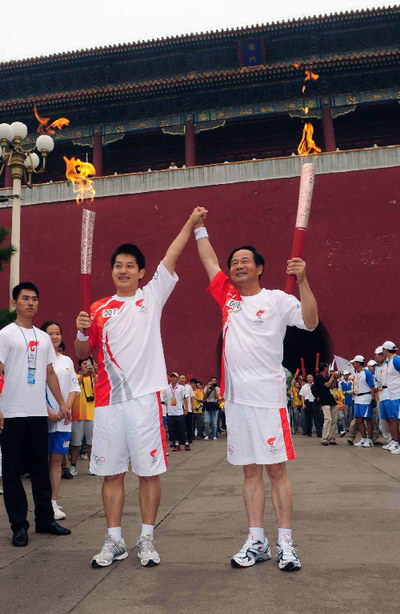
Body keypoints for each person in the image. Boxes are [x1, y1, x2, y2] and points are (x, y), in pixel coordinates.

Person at [75, 207, 207, 568]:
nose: (123, 270)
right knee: (111, 472)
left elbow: (172, 254)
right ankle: (114, 539)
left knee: (148, 472)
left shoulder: (152, 296)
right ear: (112, 270)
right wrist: (81, 330)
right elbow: (82, 353)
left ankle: (146, 538)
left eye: (130, 265)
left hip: (145, 400)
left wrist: (190, 222)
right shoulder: (98, 308)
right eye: (118, 264)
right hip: (108, 401)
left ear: (142, 272)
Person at [193, 213, 318, 572]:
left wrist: (304, 280)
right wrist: (200, 225)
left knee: (276, 472)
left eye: (246, 260)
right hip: (236, 402)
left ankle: (286, 543)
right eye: (234, 262)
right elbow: (207, 259)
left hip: (268, 400)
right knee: (249, 473)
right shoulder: (227, 298)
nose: (238, 265)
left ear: (260, 268)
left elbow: (310, 322)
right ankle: (256, 540)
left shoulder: (279, 300)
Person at [0, 282, 71, 547]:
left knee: (41, 468)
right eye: (25, 298)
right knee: (12, 472)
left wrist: (62, 403)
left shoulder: (43, 338)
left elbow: (50, 374)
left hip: (37, 414)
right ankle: (19, 526)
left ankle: (45, 520)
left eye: (35, 299)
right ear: (15, 302)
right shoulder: (6, 334)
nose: (31, 303)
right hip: (13, 413)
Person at [41, 321, 80, 521]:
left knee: (56, 462)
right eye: (50, 333)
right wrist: (48, 411)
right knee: (40, 462)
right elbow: (35, 390)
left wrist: (66, 408)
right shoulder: (38, 361)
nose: (54, 337)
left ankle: (54, 502)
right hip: (41, 418)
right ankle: (43, 502)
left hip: (63, 419)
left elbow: (74, 387)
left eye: (57, 333)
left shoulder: (66, 361)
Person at [70, 356, 97, 475]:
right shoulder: (76, 377)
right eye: (84, 363)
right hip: (77, 414)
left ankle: (92, 467)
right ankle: (73, 466)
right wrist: (83, 374)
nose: (87, 366)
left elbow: (100, 387)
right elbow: (75, 386)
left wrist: (94, 373)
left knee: (92, 443)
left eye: (89, 363)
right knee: (76, 443)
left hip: (92, 414)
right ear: (80, 365)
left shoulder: (94, 377)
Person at [351, 355, 376, 448]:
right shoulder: (357, 373)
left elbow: (372, 386)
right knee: (358, 419)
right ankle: (363, 438)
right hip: (357, 398)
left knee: (368, 419)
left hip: (366, 397)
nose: (353, 364)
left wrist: (373, 399)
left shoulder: (367, 373)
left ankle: (369, 440)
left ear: (358, 363)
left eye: (354, 362)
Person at [381, 341, 400, 454]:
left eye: (383, 349)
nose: (382, 351)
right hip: (393, 395)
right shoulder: (390, 362)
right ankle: (396, 442)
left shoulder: (396, 360)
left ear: (386, 350)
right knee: (396, 420)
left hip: (398, 394)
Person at [313, 365, 338, 446]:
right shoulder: (319, 377)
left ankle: (331, 437)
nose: (329, 369)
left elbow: (331, 386)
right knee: (328, 419)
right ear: (324, 368)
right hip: (324, 400)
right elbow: (326, 385)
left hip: (331, 399)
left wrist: (335, 379)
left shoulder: (327, 377)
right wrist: (332, 377)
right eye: (327, 367)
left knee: (334, 419)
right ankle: (324, 438)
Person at [164, 372, 190, 451]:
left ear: (177, 379)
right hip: (170, 413)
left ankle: (186, 443)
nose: (172, 378)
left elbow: (185, 399)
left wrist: (186, 409)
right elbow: (165, 400)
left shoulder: (181, 388)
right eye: (171, 377)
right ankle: (176, 444)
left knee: (182, 429)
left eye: (174, 377)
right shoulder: (166, 388)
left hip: (179, 412)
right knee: (172, 430)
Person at [179, 374, 194, 443]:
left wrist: (192, 406)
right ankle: (182, 439)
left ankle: (189, 438)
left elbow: (191, 397)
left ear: (185, 380)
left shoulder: (189, 387)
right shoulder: (177, 387)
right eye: (181, 378)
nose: (182, 379)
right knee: (181, 425)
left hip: (189, 409)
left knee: (189, 424)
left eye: (183, 378)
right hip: (179, 409)